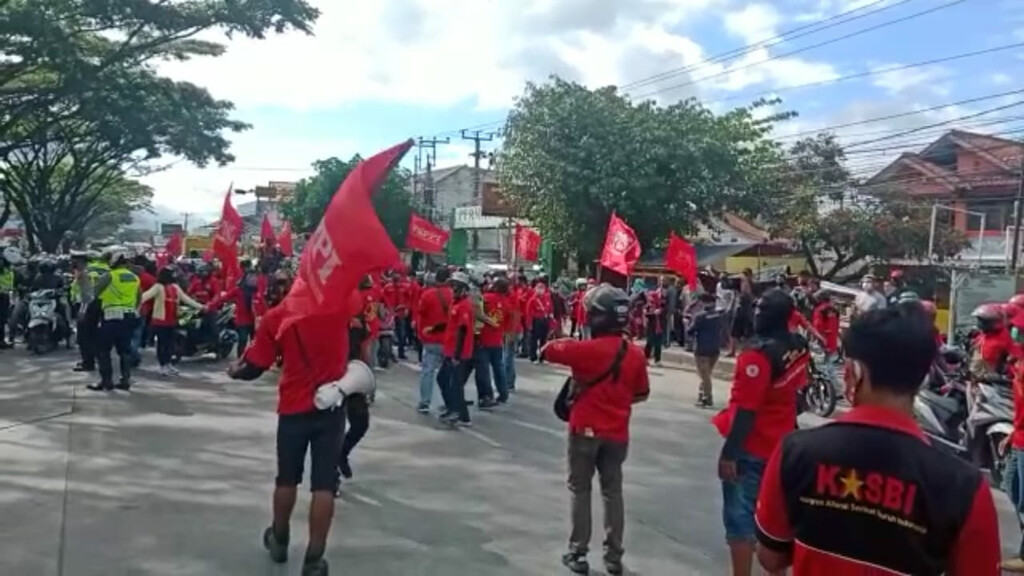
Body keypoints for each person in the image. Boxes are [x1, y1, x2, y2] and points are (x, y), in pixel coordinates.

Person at [755, 303, 1000, 575]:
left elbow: (771, 558)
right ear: (921, 379)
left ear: (853, 372)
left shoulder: (796, 451)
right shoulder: (963, 485)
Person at [226, 295, 359, 576]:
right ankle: (314, 560)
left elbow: (256, 365)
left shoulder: (277, 316)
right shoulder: (341, 304)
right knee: (324, 485)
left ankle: (279, 539)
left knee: (286, 479)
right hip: (332, 407)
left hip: (293, 408)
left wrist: (236, 371)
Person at [541, 284, 650, 576]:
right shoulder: (635, 354)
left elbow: (548, 350)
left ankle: (578, 552)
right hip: (618, 433)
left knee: (581, 489)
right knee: (612, 492)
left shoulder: (586, 350)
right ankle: (613, 556)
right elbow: (641, 393)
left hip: (584, 430)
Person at [712, 288, 809, 576]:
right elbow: (797, 394)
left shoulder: (758, 356)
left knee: (739, 521)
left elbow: (746, 410)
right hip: (784, 446)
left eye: (762, 309)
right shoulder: (799, 346)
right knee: (774, 521)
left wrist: (729, 453)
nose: (756, 313)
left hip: (753, 450)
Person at [89, 249, 140, 391]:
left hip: (111, 316)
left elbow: (93, 293)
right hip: (129, 316)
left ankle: (106, 381)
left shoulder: (109, 276)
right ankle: (125, 380)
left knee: (103, 350)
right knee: (124, 351)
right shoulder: (134, 277)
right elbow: (139, 297)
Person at [140, 267, 203, 375]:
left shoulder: (175, 287)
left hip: (172, 320)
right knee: (162, 344)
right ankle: (163, 365)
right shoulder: (158, 287)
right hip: (160, 321)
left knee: (169, 344)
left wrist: (201, 307)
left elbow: (186, 299)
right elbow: (145, 296)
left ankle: (168, 364)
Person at [438, 272, 475, 427]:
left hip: (458, 352)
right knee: (443, 379)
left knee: (455, 384)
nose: (453, 289)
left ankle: (460, 414)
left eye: (456, 286)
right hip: (450, 349)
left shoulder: (465, 305)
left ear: (463, 288)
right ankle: (454, 409)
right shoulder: (455, 302)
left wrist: (456, 355)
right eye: (452, 285)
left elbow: (462, 330)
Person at [206, 260, 262, 358]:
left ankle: (253, 360)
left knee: (255, 342)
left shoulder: (258, 292)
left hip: (255, 320)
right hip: (242, 320)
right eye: (250, 278)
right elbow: (223, 298)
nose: (252, 280)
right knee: (243, 340)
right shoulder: (238, 290)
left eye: (254, 278)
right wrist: (210, 306)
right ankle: (240, 360)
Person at [415, 268, 451, 414]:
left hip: (430, 339)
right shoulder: (454, 295)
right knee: (448, 374)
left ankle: (424, 402)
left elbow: (420, 316)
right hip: (449, 340)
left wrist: (420, 335)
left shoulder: (427, 295)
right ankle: (449, 402)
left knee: (427, 372)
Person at [477, 277, 511, 404]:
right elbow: (508, 322)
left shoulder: (486, 298)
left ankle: (487, 396)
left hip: (484, 339)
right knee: (499, 368)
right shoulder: (507, 303)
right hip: (497, 340)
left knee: (484, 370)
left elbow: (477, 314)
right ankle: (503, 393)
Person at [688, 292, 723, 408]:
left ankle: (708, 397)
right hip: (715, 348)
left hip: (702, 348)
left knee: (704, 375)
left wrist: (687, 322)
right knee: (706, 374)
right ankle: (701, 395)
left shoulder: (700, 316)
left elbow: (690, 331)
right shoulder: (719, 315)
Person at [526, 280, 553, 363]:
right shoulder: (532, 300)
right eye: (539, 288)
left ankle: (543, 357)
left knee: (544, 339)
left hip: (545, 320)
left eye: (542, 288)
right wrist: (529, 324)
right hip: (536, 321)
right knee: (534, 339)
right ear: (535, 289)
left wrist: (551, 321)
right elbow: (529, 313)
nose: (540, 290)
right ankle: (533, 357)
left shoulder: (547, 299)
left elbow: (551, 310)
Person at [643, 282, 665, 366]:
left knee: (658, 343)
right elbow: (646, 315)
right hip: (651, 327)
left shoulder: (660, 306)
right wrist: (653, 313)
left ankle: (657, 359)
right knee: (649, 342)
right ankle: (645, 358)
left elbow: (664, 313)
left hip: (659, 327)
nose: (651, 300)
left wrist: (660, 312)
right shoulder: (648, 306)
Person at [0, 253, 13, 349]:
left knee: (3, 320)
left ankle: (1, 341)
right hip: (3, 296)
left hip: (4, 296)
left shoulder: (8, 271)